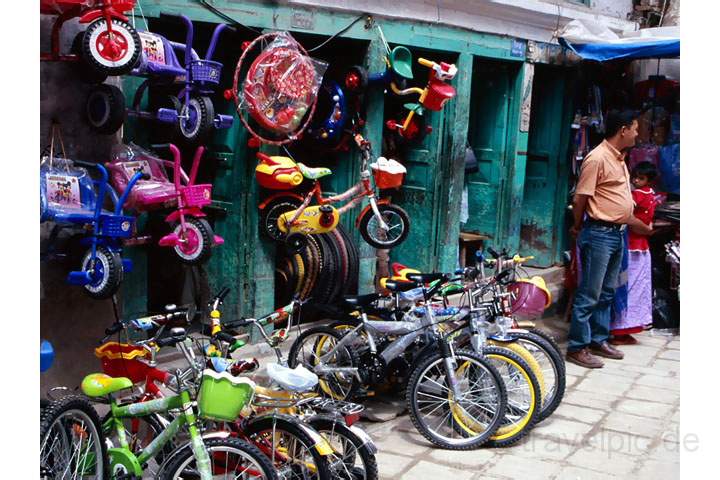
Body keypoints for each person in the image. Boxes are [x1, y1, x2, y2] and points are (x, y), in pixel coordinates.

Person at [567, 110, 652, 369]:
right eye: (635, 129)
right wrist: (579, 226)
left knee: (606, 292)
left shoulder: (619, 158)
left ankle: (598, 339)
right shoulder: (597, 158)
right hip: (600, 233)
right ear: (623, 130)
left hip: (617, 234)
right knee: (589, 293)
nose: (638, 134)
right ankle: (577, 346)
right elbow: (581, 198)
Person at [609, 162, 658, 345]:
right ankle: (619, 328)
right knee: (626, 285)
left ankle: (626, 327)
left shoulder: (643, 194)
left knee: (634, 286)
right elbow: (626, 212)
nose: (636, 180)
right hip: (632, 244)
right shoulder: (638, 194)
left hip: (638, 245)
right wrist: (646, 227)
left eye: (641, 178)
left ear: (649, 180)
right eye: (635, 177)